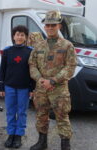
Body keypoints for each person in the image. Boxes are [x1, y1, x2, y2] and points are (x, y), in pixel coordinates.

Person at [28, 10, 77, 150]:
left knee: (62, 118)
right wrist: (40, 79)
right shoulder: (38, 46)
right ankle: (42, 142)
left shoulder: (67, 46)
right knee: (41, 115)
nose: (50, 28)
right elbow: (32, 65)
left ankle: (65, 146)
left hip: (59, 89)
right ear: (44, 27)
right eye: (47, 25)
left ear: (59, 26)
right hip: (41, 88)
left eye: (53, 25)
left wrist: (53, 81)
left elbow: (70, 67)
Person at [0, 25, 34, 148]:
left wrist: (32, 88)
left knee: (22, 112)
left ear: (25, 37)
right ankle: (11, 134)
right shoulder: (7, 51)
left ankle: (19, 135)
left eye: (22, 35)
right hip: (9, 87)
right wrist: (1, 87)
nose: (19, 37)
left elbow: (32, 71)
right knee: (10, 112)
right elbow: (2, 69)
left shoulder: (30, 51)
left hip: (24, 88)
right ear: (13, 36)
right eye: (17, 34)